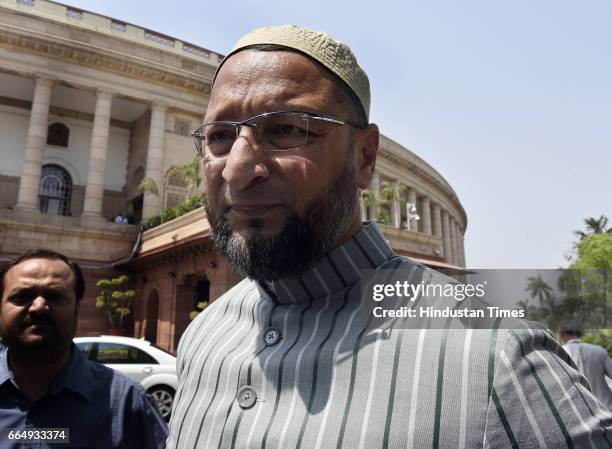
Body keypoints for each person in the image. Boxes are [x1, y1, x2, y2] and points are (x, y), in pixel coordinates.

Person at [167, 25, 612, 448]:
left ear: (364, 156)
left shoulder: (501, 361)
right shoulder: (203, 338)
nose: (239, 169)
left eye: (287, 129)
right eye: (221, 137)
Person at [0, 249, 168, 448]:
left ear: (76, 311)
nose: (38, 306)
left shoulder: (127, 402)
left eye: (55, 296)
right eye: (23, 296)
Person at [560, 320, 612, 410]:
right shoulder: (599, 350)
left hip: (581, 413)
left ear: (562, 334)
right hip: (607, 408)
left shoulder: (559, 354)